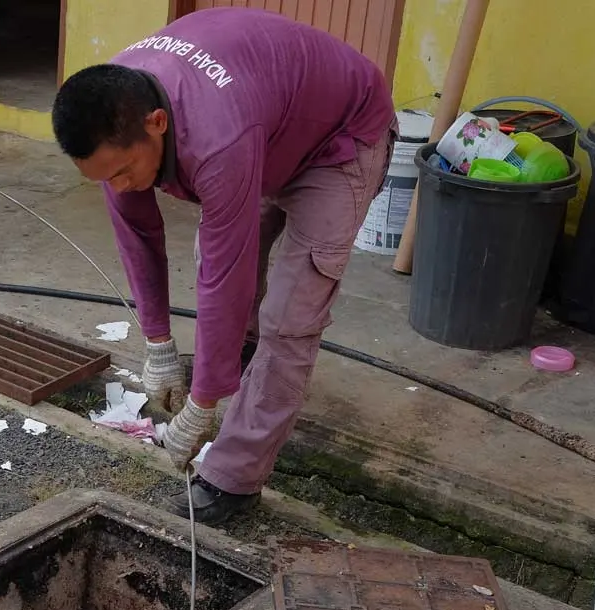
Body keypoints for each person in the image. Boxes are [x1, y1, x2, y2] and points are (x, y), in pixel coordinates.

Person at [51, 7, 397, 525]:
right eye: (103, 178)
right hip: (270, 123)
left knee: (290, 315)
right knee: (232, 281)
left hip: (340, 141)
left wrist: (203, 402)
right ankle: (240, 360)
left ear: (158, 123)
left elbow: (224, 270)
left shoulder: (217, 137)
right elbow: (138, 235)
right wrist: (158, 343)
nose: (118, 185)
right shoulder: (114, 108)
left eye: (123, 172)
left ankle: (235, 475)